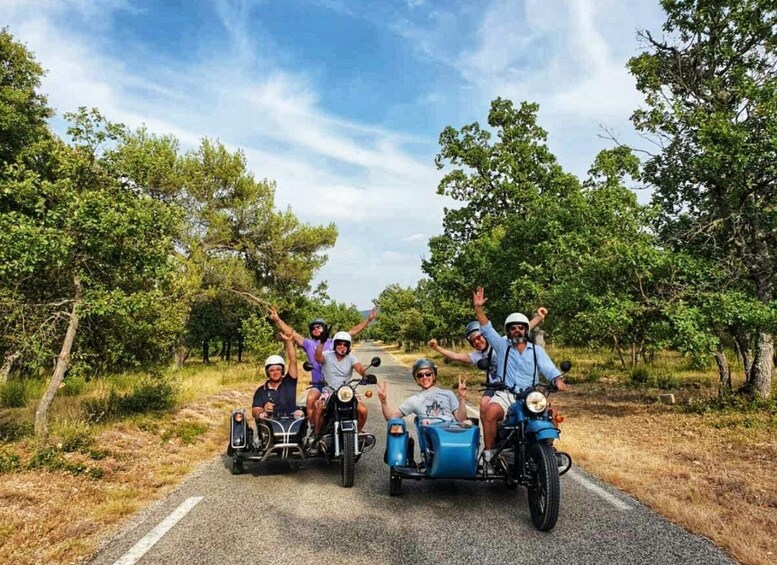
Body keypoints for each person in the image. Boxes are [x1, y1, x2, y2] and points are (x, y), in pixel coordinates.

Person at [472, 287, 566, 466]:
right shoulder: (501, 345)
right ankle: (489, 454)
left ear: (526, 330)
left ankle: (546, 453)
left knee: (552, 415)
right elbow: (486, 328)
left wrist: (557, 380)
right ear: (508, 331)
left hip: (530, 396)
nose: (517, 331)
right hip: (506, 395)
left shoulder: (537, 351)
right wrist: (478, 308)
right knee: (491, 412)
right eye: (513, 328)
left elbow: (548, 368)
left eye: (521, 328)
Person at [428, 311, 547, 422]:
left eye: (479, 337)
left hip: (511, 384)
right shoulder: (477, 356)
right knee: (484, 403)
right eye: (473, 341)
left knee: (542, 407)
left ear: (485, 336)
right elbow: (456, 356)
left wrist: (539, 317)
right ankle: (489, 441)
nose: (477, 342)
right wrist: (437, 348)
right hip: (493, 387)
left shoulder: (501, 343)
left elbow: (522, 328)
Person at [267, 306, 377, 422]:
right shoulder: (308, 344)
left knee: (358, 406)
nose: (316, 330)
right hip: (319, 385)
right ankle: (315, 428)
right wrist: (277, 320)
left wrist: (368, 320)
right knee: (310, 400)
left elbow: (352, 331)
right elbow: (292, 334)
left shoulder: (335, 342)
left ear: (324, 328)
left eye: (318, 327)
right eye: (313, 328)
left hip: (339, 385)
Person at [312, 331, 372, 437]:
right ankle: (316, 434)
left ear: (349, 346)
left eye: (345, 344)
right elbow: (317, 357)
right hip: (329, 392)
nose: (342, 346)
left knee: (363, 409)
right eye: (339, 343)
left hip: (346, 393)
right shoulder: (327, 355)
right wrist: (322, 342)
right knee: (319, 406)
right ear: (335, 344)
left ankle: (357, 433)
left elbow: (359, 368)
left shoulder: (351, 358)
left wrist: (367, 376)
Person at [376, 358, 469, 424]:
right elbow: (391, 418)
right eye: (420, 375)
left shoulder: (448, 394)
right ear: (417, 379)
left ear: (434, 375)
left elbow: (461, 419)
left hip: (451, 433)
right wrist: (384, 402)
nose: (425, 377)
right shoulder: (414, 400)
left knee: (468, 424)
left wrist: (462, 398)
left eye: (428, 374)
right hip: (431, 438)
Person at [251, 332, 303, 420]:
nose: (275, 372)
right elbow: (254, 410)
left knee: (300, 414)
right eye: (271, 370)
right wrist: (263, 410)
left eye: (278, 369)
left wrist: (289, 341)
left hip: (290, 423)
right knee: (261, 416)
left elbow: (293, 360)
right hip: (271, 424)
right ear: (267, 372)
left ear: (282, 370)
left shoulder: (289, 382)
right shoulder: (261, 391)